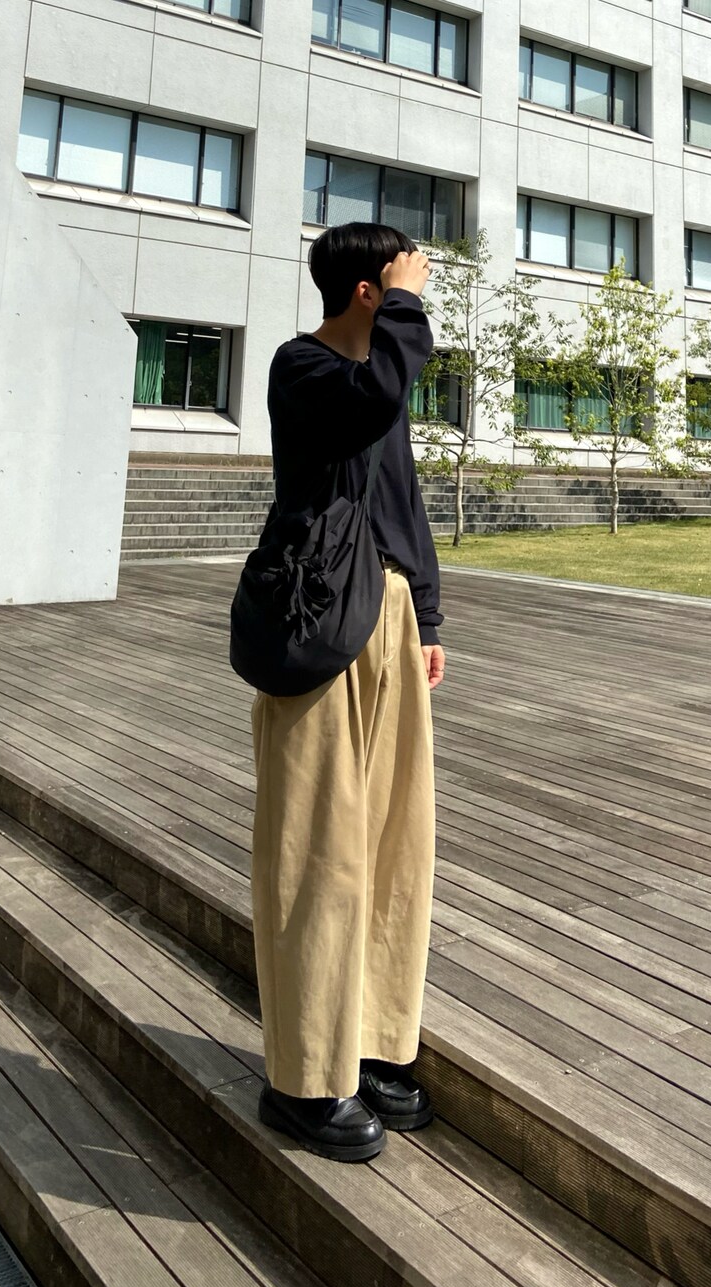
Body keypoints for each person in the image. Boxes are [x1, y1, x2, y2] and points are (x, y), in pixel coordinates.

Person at [249, 222, 445, 1162]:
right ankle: (301, 1077)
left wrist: (429, 619)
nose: (418, 294)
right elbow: (369, 405)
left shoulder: (381, 384)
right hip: (321, 620)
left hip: (391, 614)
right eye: (402, 281)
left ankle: (368, 1043)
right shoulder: (305, 369)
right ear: (369, 292)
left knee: (394, 842)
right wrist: (406, 308)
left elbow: (404, 503)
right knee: (316, 848)